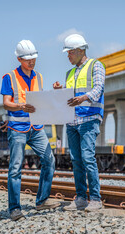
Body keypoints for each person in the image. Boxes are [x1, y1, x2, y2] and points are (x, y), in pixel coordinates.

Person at [1, 39, 60, 221]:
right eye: (28, 59)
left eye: (34, 58)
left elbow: (41, 101)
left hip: (36, 127)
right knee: (16, 168)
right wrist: (20, 106)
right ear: (19, 59)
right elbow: (6, 103)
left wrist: (56, 91)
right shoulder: (9, 77)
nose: (31, 62)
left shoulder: (39, 77)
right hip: (18, 128)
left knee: (49, 159)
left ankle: (42, 200)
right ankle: (15, 209)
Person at [53, 34, 105, 212]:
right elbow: (69, 96)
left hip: (89, 118)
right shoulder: (69, 73)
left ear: (79, 51)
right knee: (76, 160)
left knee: (88, 158)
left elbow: (98, 88)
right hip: (72, 120)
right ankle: (81, 198)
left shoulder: (95, 65)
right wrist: (61, 91)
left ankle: (96, 199)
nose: (67, 56)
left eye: (69, 53)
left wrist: (83, 98)